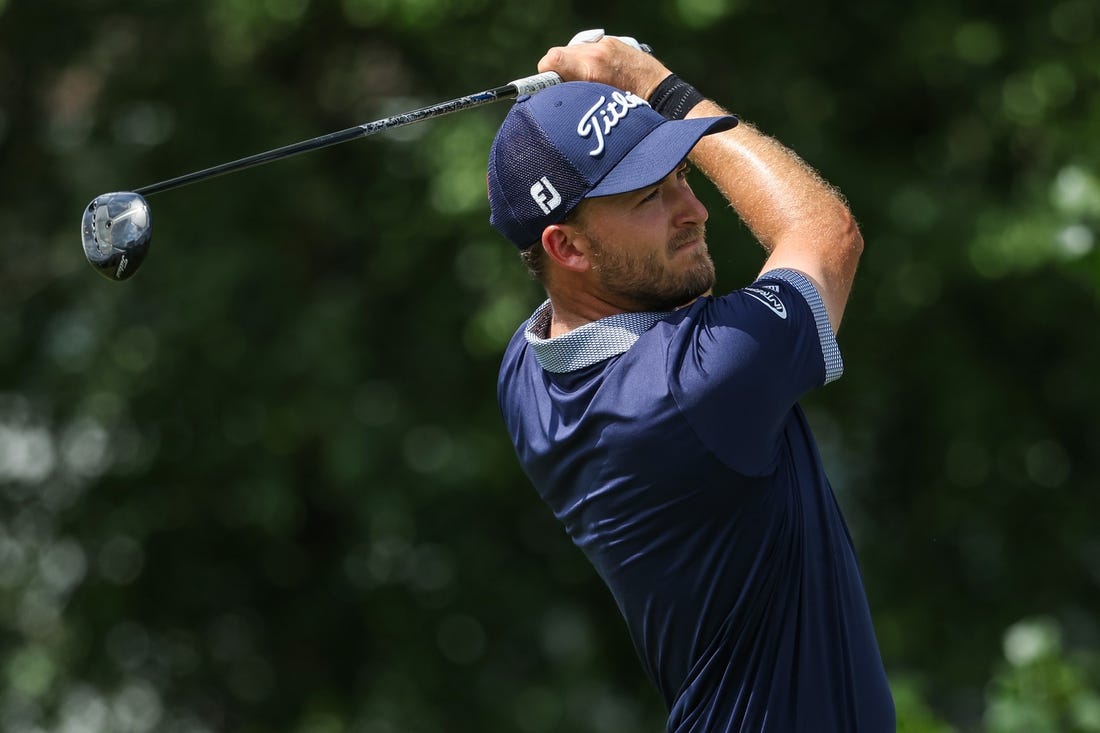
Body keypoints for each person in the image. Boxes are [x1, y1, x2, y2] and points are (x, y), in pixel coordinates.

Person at [487, 32, 895, 732]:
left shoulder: (525, 370)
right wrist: (649, 79)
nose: (696, 209)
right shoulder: (695, 387)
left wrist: (598, 124)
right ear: (567, 247)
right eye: (650, 195)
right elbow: (827, 234)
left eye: (681, 172)